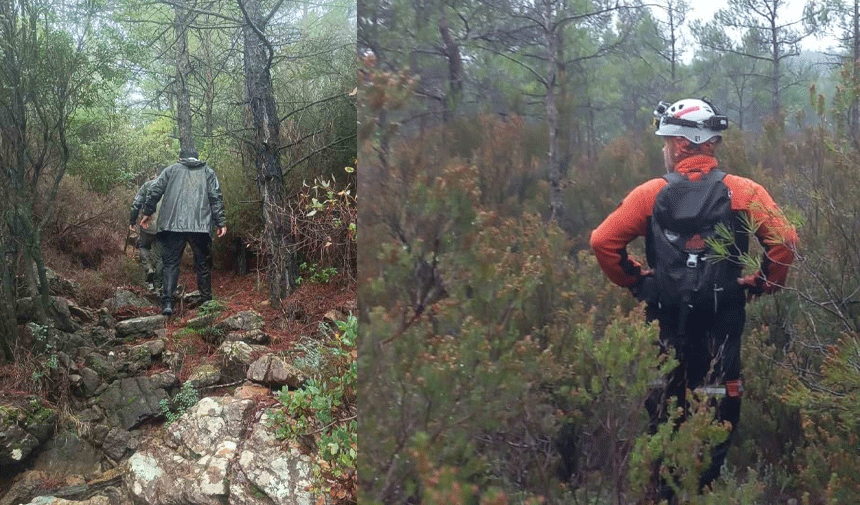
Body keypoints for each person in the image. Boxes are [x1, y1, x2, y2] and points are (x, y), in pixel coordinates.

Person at [589, 98, 797, 497]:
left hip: (665, 328)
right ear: (708, 142)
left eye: (667, 141)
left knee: (666, 419)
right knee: (717, 420)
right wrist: (763, 284)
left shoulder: (649, 194)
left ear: (683, 143)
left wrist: (637, 283)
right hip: (722, 328)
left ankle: (668, 491)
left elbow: (602, 241)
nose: (664, 149)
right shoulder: (742, 191)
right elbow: (785, 239)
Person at [140, 148, 227, 315]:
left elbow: (154, 191)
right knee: (202, 263)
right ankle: (206, 301)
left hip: (172, 225)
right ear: (196, 158)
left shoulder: (171, 170)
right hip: (200, 226)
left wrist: (147, 213)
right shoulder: (207, 172)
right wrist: (220, 222)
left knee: (170, 264)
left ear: (180, 158)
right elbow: (215, 196)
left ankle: (167, 304)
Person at [129, 167, 163, 293]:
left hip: (147, 225)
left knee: (143, 246)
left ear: (155, 174)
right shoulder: (170, 188)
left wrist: (132, 221)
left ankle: (149, 269)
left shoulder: (147, 185)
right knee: (160, 256)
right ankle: (159, 285)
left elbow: (136, 203)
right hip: (164, 227)